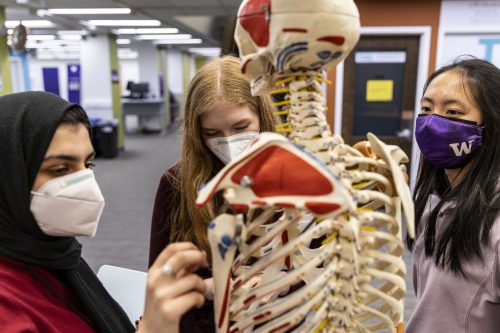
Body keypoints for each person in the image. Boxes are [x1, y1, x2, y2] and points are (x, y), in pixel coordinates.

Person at [0, 91, 208, 333]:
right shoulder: (7, 306)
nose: (86, 185)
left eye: (87, 165)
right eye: (59, 169)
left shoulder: (55, 255)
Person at [149, 55, 278, 332]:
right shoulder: (176, 184)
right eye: (212, 132)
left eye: (241, 127)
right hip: (203, 322)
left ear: (262, 115)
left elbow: (320, 264)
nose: (229, 142)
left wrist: (282, 281)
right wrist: (209, 288)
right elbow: (160, 280)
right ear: (198, 134)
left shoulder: (293, 176)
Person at [407, 58, 500, 332]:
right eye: (426, 108)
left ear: (492, 126)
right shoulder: (434, 204)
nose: (433, 122)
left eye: (453, 112)